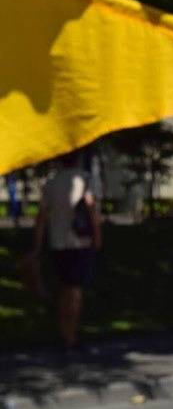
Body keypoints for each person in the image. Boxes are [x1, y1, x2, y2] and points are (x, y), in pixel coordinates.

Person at [30, 150, 102, 353]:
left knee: (63, 287)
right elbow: (91, 208)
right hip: (80, 241)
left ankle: (64, 331)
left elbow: (42, 216)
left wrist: (37, 244)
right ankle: (72, 334)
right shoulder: (85, 179)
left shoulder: (52, 183)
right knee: (75, 289)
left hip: (58, 242)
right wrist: (97, 235)